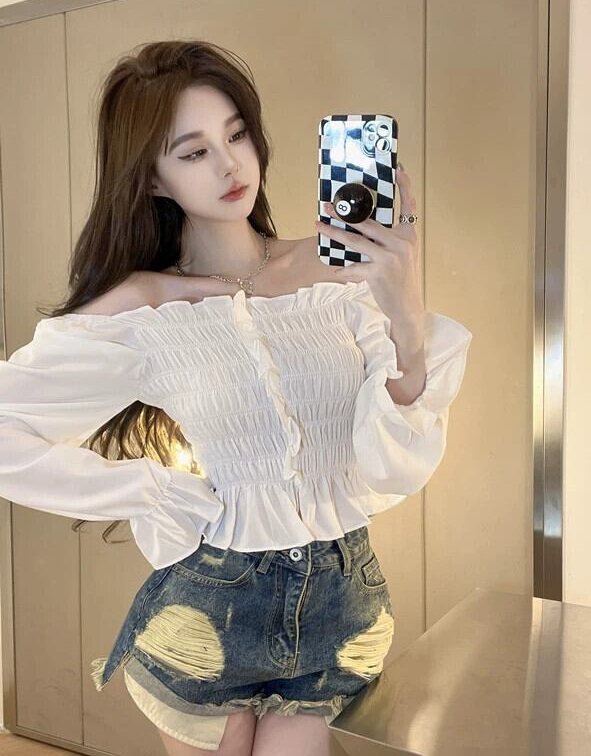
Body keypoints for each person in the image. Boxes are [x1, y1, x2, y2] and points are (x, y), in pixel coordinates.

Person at [0, 39, 473, 756]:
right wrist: (151, 491)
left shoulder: (334, 268)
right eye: (193, 152)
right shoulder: (143, 308)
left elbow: (391, 460)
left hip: (340, 606)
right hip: (207, 609)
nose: (229, 166)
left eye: (237, 134)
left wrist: (405, 312)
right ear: (151, 178)